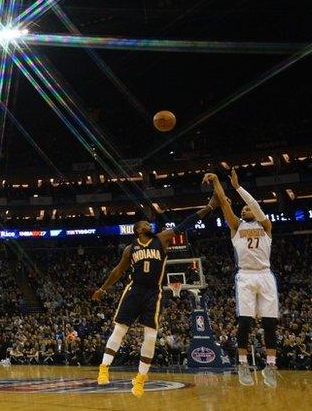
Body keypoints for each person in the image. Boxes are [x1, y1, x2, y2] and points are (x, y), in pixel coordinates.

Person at [92, 195, 217, 397]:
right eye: (145, 224)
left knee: (150, 337)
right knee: (120, 330)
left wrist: (209, 207)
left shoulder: (161, 239)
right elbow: (117, 271)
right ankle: (104, 368)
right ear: (138, 230)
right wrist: (103, 289)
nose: (149, 224)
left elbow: (186, 224)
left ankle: (140, 379)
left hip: (153, 292)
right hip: (134, 290)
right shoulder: (130, 249)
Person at [206, 169, 279, 387]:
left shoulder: (266, 226)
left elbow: (255, 205)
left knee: (270, 323)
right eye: (243, 208)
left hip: (265, 275)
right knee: (245, 322)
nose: (246, 209)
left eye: (249, 208)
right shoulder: (237, 227)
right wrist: (217, 182)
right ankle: (243, 363)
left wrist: (238, 187)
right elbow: (225, 205)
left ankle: (271, 366)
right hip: (246, 275)